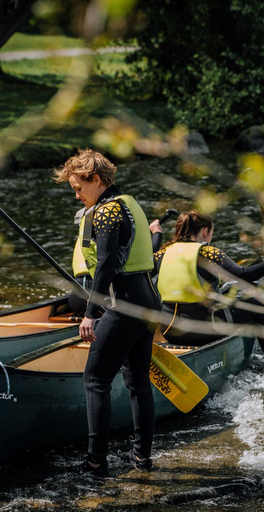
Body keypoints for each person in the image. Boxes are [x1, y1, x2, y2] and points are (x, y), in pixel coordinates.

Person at [53, 148, 160, 477]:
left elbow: (106, 265)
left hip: (124, 302)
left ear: (96, 180)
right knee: (137, 380)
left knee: (95, 380)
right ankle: (142, 458)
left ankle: (95, 463)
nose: (76, 195)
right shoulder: (129, 203)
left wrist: (91, 312)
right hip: (148, 300)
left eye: (78, 187)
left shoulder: (106, 212)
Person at [153, 211, 264, 363]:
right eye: (211, 234)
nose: (210, 239)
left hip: (168, 330)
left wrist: (156, 234)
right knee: (259, 303)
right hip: (201, 331)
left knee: (228, 292)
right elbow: (243, 275)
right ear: (205, 231)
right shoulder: (208, 252)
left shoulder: (162, 253)